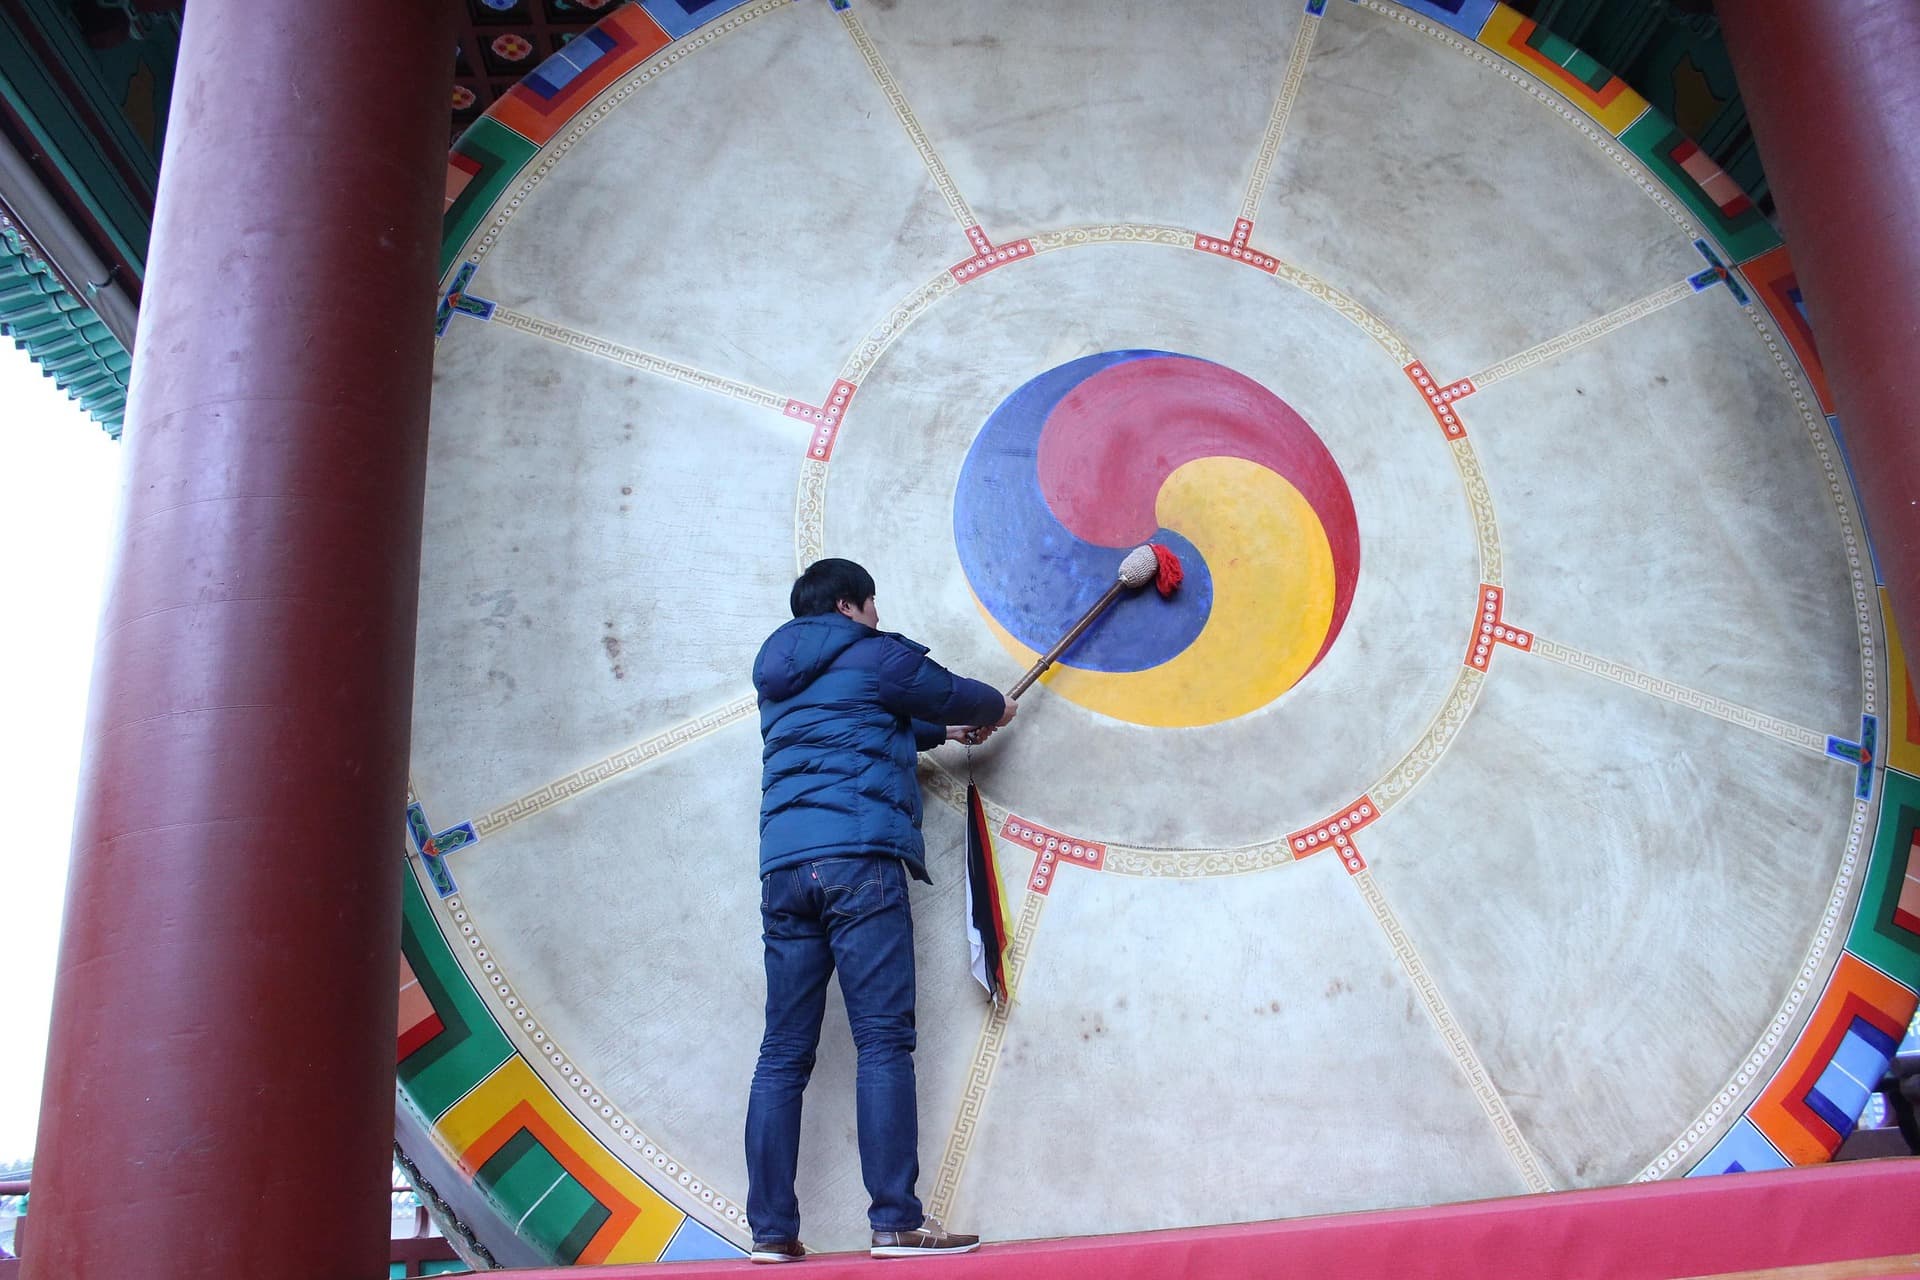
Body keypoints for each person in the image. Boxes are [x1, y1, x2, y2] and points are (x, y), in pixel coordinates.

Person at [744, 558, 1015, 1263]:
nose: (876, 615)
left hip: (784, 872)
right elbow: (959, 693)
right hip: (859, 861)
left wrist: (937, 734)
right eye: (871, 605)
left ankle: (771, 1233)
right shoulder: (875, 654)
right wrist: (989, 711)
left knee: (781, 1053)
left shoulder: (776, 675)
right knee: (883, 1042)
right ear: (849, 604)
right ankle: (895, 1222)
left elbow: (856, 715)